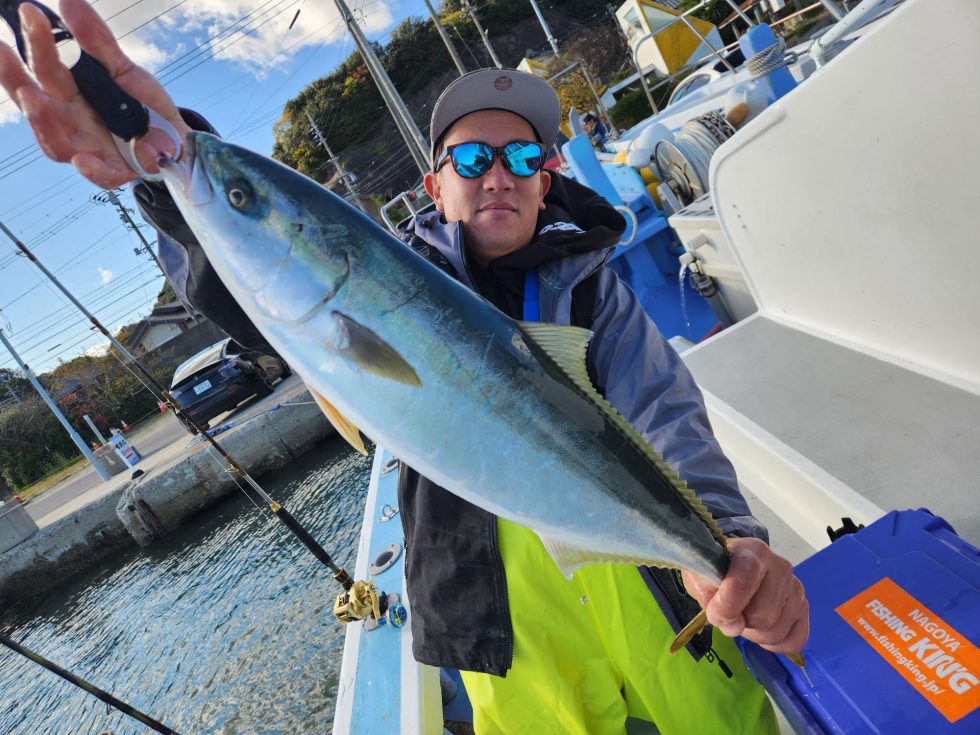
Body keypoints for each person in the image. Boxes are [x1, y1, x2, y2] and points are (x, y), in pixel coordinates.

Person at [0, 3, 809, 733]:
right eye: (472, 159)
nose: (500, 173)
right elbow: (239, 281)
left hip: (654, 593)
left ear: (547, 177)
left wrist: (729, 543)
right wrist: (167, 174)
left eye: (525, 158)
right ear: (434, 185)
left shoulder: (596, 292)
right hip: (505, 636)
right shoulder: (385, 286)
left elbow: (666, 414)